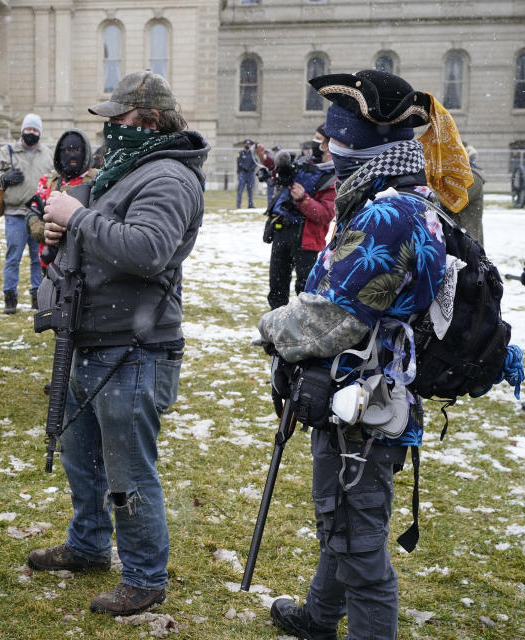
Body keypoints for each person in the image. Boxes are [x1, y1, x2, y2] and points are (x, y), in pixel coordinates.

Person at [259, 69, 448, 640]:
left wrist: (269, 327)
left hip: (364, 401)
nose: (328, 147)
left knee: (360, 543)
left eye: (337, 137)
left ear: (366, 144)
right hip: (362, 393)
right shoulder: (397, 198)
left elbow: (330, 318)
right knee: (345, 520)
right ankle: (319, 618)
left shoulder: (389, 217)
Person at [32, 70, 209, 616]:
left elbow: (148, 250)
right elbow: (103, 237)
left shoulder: (168, 176)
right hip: (95, 337)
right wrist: (65, 231)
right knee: (81, 457)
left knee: (128, 469)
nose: (111, 128)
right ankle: (88, 545)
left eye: (120, 118)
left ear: (150, 121)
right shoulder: (127, 169)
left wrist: (78, 217)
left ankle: (145, 577)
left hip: (135, 348)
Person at [0, 113, 52, 313]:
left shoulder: (47, 154)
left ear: (39, 132)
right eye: (28, 129)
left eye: (35, 130)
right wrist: (5, 178)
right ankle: (10, 298)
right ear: (22, 131)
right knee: (13, 256)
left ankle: (37, 296)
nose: (31, 133)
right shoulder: (9, 152)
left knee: (37, 257)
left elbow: (54, 177)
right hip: (15, 213)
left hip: (37, 214)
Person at [263, 126, 336, 309]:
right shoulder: (304, 163)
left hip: (307, 240)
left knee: (305, 290)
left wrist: (303, 200)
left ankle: (302, 333)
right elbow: (283, 177)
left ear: (327, 145)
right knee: (277, 287)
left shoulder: (333, 176)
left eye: (318, 138)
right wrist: (269, 162)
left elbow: (325, 214)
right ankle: (274, 332)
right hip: (282, 231)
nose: (314, 142)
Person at [26, 128, 98, 296]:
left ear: (85, 152)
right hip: (51, 259)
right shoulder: (48, 181)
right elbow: (31, 212)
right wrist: (42, 230)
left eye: (77, 150)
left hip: (86, 260)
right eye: (67, 150)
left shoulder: (97, 180)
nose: (72, 155)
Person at [236, 139, 257, 208]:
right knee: (240, 190)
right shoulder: (241, 153)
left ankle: (250, 204)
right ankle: (238, 205)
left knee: (250, 190)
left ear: (250, 145)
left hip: (250, 174)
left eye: (249, 144)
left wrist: (251, 168)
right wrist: (244, 168)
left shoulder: (252, 154)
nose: (247, 145)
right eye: (246, 144)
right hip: (243, 173)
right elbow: (239, 162)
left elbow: (255, 163)